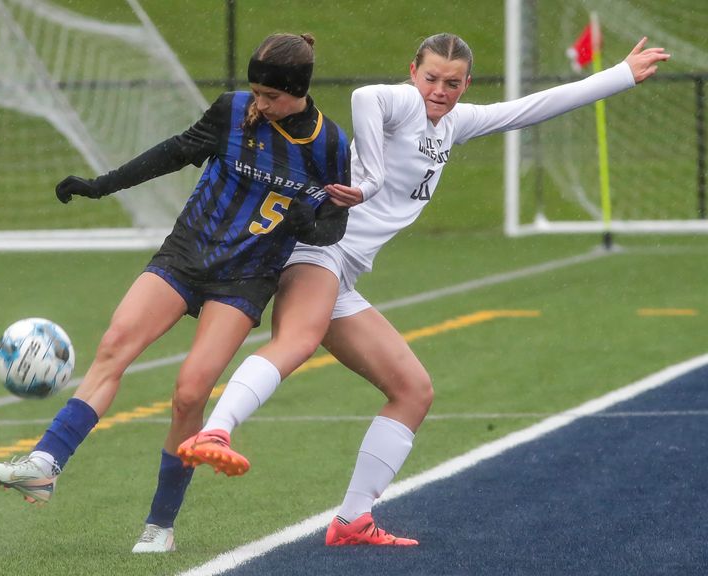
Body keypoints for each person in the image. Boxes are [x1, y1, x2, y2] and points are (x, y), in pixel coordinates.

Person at [176, 34, 670, 546]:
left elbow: (532, 107)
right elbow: (366, 96)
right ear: (413, 71)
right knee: (298, 341)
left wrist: (620, 76)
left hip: (343, 271)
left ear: (466, 84)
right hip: (316, 250)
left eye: (452, 83)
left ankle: (352, 520)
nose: (439, 90)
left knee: (413, 391)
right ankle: (218, 428)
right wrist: (369, 175)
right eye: (431, 77)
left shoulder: (455, 122)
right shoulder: (401, 102)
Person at [0, 32, 350, 554]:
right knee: (114, 347)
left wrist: (311, 213)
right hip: (187, 252)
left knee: (190, 392)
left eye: (271, 97)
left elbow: (331, 228)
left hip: (244, 276)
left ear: (299, 91)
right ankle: (44, 464)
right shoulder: (233, 110)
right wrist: (100, 185)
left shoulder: (330, 146)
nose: (260, 105)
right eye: (256, 93)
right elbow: (175, 152)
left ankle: (160, 527)